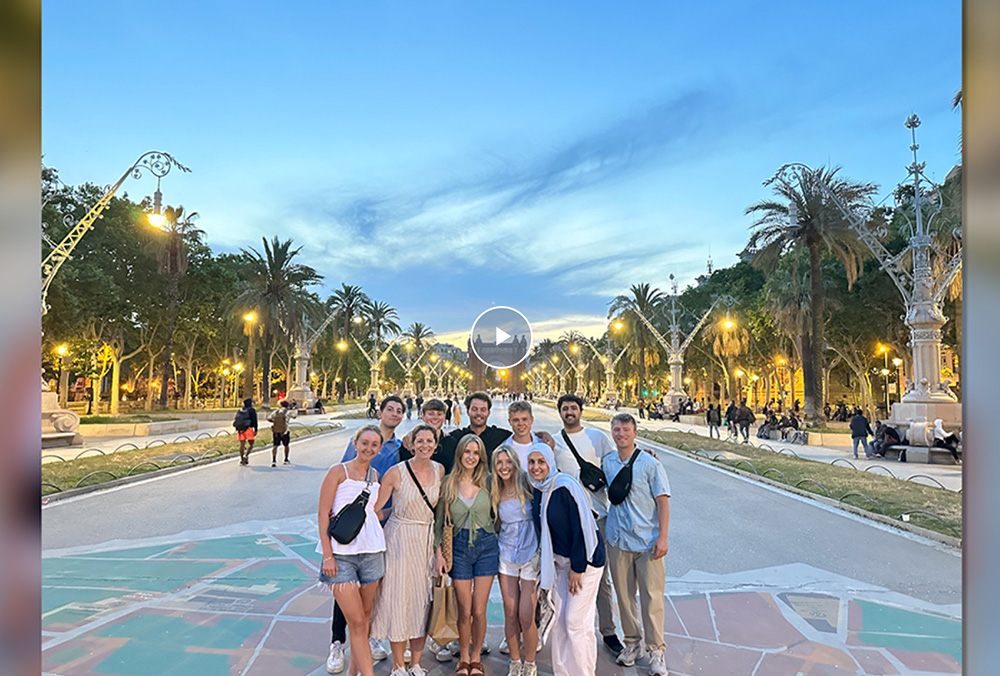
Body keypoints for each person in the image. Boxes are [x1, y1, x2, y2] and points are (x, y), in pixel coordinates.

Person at [327, 397, 405, 673]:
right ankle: (337, 642)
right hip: (347, 533)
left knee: (367, 602)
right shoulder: (351, 453)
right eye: (390, 409)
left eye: (399, 411)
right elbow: (334, 497)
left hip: (375, 528)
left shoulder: (398, 447)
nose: (394, 414)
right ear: (380, 412)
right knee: (347, 598)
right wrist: (328, 550)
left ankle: (367, 644)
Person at [550, 393, 623, 657]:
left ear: (581, 410)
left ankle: (608, 630)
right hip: (567, 524)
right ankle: (559, 625)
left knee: (601, 578)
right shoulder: (554, 443)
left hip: (597, 517)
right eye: (565, 408)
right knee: (561, 575)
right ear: (560, 413)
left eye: (573, 407)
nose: (569, 411)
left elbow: (618, 466)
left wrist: (644, 454)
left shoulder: (598, 438)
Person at [371, 424, 445, 676]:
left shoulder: (440, 471)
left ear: (436, 445)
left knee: (422, 601)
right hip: (399, 540)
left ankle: (415, 662)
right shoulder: (395, 472)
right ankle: (398, 665)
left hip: (425, 539)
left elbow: (438, 514)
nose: (424, 445)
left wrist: (439, 552)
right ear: (411, 444)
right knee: (398, 600)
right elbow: (377, 510)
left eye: (429, 441)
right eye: (419, 441)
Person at [526, 443, 605, 676]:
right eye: (532, 462)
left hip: (585, 562)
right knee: (559, 621)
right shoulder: (539, 488)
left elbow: (582, 527)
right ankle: (563, 671)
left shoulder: (565, 486)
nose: (536, 467)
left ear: (551, 462)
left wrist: (578, 568)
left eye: (541, 462)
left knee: (575, 622)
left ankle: (583, 672)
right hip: (560, 563)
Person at [603, 414, 671, 675]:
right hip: (618, 540)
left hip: (647, 541)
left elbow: (663, 501)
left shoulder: (649, 464)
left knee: (652, 598)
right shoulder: (608, 462)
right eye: (617, 429)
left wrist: (663, 537)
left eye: (626, 429)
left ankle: (656, 651)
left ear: (635, 432)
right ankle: (632, 644)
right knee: (624, 597)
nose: (621, 434)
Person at [318, 425, 387, 676]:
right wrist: (327, 555)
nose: (369, 448)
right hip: (341, 555)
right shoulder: (338, 472)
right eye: (364, 443)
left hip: (372, 552)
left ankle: (353, 673)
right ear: (355, 443)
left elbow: (372, 514)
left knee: (365, 618)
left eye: (374, 445)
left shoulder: (376, 476)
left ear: (379, 449)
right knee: (356, 621)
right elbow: (323, 513)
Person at [433, 435, 499, 676]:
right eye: (467, 452)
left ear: (481, 456)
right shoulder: (448, 483)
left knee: (479, 610)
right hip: (458, 548)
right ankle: (463, 657)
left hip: (487, 546)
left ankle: (475, 657)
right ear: (460, 454)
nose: (471, 457)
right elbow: (439, 523)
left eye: (475, 452)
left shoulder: (489, 481)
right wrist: (438, 553)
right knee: (465, 609)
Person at [491, 446, 539, 676]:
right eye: (499, 462)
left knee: (526, 614)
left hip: (530, 554)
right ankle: (515, 661)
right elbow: (496, 524)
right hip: (507, 554)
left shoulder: (527, 483)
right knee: (510, 612)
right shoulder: (495, 490)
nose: (504, 466)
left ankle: (530, 662)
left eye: (508, 461)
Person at [503, 401, 547, 469]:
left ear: (531, 420)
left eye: (524, 419)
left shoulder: (543, 445)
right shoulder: (504, 448)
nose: (520, 423)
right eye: (516, 420)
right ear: (510, 422)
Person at [267, 399, 295, 467]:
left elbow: (269, 418)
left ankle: (274, 460)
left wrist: (276, 422)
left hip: (276, 430)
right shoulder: (288, 412)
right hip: (285, 431)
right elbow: (295, 416)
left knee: (275, 446)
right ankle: (286, 459)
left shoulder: (276, 412)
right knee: (286, 445)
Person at [234, 398, 258, 465]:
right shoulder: (252, 410)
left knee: (242, 444)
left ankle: (242, 459)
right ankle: (246, 455)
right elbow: (254, 420)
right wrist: (256, 429)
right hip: (249, 428)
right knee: (251, 444)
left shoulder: (240, 410)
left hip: (240, 429)